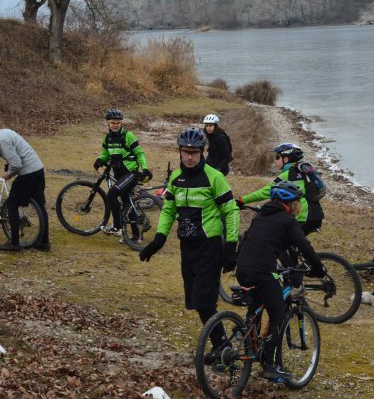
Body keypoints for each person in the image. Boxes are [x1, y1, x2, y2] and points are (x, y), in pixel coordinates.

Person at [138, 127, 240, 354]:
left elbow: (231, 211)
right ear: (180, 152)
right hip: (188, 247)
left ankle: (223, 348)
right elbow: (169, 210)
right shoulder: (176, 178)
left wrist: (231, 247)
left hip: (209, 246)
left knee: (205, 301)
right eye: (186, 152)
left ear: (202, 152)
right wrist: (159, 240)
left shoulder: (215, 177)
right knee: (195, 301)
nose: (190, 156)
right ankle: (221, 344)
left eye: (194, 152)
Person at [235, 181, 325, 381]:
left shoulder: (260, 217)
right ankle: (271, 365)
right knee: (277, 314)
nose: (299, 206)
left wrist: (287, 264)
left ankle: (249, 339)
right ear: (291, 203)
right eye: (298, 202)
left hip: (242, 269)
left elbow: (277, 246)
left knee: (258, 302)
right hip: (262, 271)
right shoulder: (287, 220)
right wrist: (319, 269)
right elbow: (305, 246)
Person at [236, 143, 324, 235]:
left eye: (277, 157)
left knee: (274, 237)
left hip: (302, 216)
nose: (276, 160)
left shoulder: (288, 174)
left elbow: (266, 192)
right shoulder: (302, 171)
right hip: (315, 214)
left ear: (286, 159)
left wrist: (242, 200)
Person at [92, 109, 153, 239]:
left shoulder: (128, 136)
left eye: (118, 123)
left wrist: (145, 168)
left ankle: (117, 227)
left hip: (131, 173)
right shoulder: (107, 138)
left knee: (112, 193)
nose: (115, 125)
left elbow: (139, 153)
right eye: (113, 122)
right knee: (127, 203)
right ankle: (136, 236)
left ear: (121, 123)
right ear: (108, 123)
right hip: (119, 174)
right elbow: (105, 153)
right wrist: (100, 160)